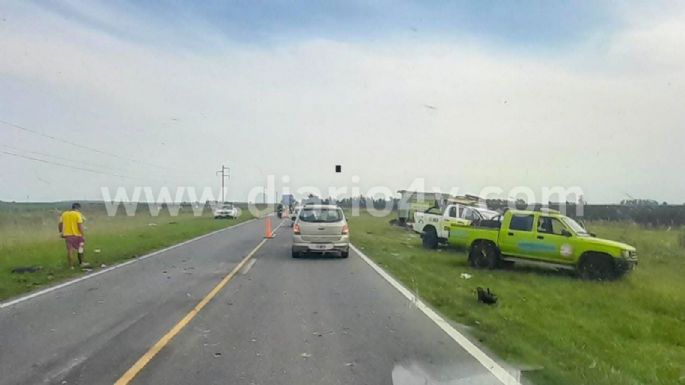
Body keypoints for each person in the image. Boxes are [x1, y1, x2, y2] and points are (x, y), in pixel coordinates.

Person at [58, 203, 87, 269]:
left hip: (68, 235)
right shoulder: (77, 214)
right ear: (78, 208)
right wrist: (83, 235)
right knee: (80, 248)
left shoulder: (64, 214)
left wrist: (60, 232)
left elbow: (60, 224)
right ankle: (81, 263)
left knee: (70, 250)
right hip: (78, 235)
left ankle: (71, 266)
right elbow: (79, 225)